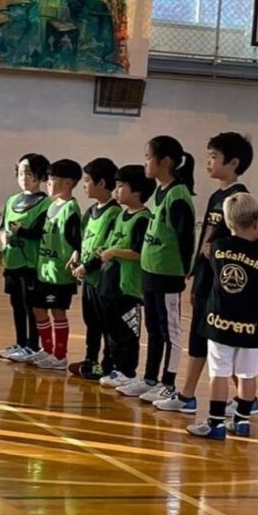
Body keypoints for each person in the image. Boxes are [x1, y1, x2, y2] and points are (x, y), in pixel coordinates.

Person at [154, 132, 258, 415]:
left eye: (214, 157)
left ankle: (243, 399)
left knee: (221, 342)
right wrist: (196, 273)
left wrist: (222, 250)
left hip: (222, 284)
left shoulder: (241, 198)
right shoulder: (216, 196)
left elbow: (254, 238)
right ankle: (190, 395)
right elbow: (206, 239)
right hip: (205, 278)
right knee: (200, 337)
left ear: (233, 162)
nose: (208, 162)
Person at [187, 193, 258, 440]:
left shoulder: (218, 249)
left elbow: (211, 248)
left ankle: (216, 423)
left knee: (219, 372)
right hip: (250, 327)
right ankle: (242, 421)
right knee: (247, 374)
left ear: (228, 222)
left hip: (219, 324)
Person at [118, 136, 195, 403]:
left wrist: (184, 271)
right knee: (153, 327)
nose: (145, 163)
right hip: (150, 271)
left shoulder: (178, 195)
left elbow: (186, 239)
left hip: (168, 275)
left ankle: (168, 383)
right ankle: (150, 378)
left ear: (165, 161)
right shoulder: (162, 191)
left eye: (148, 157)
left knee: (169, 330)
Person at [92, 165, 155, 391]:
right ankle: (114, 367)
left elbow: (139, 252)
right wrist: (103, 250)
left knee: (127, 331)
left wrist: (114, 252)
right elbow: (113, 242)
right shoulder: (121, 215)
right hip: (110, 283)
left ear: (136, 190)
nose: (116, 191)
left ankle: (127, 371)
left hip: (128, 287)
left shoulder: (143, 219)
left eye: (120, 186)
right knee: (112, 329)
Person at [25, 159, 83, 371]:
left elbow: (77, 240)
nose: (48, 183)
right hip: (45, 270)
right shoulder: (51, 206)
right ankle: (47, 349)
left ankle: (60, 355)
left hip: (60, 273)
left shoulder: (71, 209)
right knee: (38, 308)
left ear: (67, 183)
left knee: (58, 311)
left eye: (52, 179)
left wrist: (77, 254)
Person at [0, 153, 51, 362]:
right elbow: (2, 226)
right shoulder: (12, 200)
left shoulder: (46, 203)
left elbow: (40, 232)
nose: (23, 177)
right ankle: (20, 343)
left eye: (29, 173)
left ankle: (32, 345)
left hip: (31, 264)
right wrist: (4, 238)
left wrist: (21, 231)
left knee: (32, 306)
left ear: (41, 176)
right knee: (16, 304)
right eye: (20, 173)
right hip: (12, 261)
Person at [70, 157, 119, 380]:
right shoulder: (90, 211)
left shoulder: (114, 213)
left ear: (101, 183)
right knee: (91, 322)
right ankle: (91, 359)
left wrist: (88, 266)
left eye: (88, 180)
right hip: (89, 279)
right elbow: (82, 239)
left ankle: (108, 363)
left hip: (103, 279)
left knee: (106, 323)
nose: (84, 185)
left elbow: (108, 247)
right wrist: (76, 255)